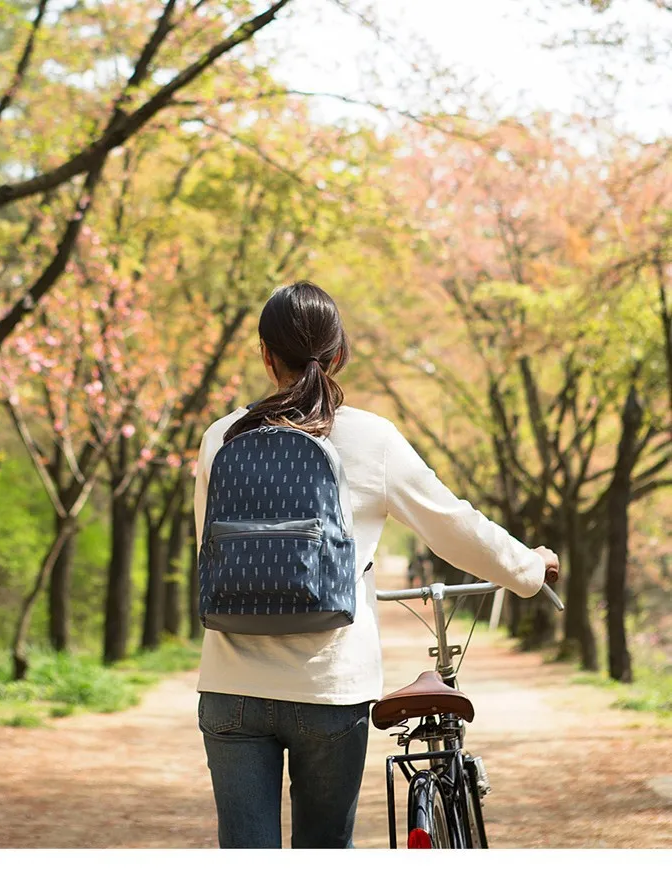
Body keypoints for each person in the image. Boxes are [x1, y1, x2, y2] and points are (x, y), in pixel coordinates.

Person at [193, 280, 559, 849]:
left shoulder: (223, 436)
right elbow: (453, 526)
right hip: (331, 687)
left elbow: (210, 551)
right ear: (338, 353)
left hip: (230, 684)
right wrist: (528, 568)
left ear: (266, 355)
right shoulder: (371, 437)